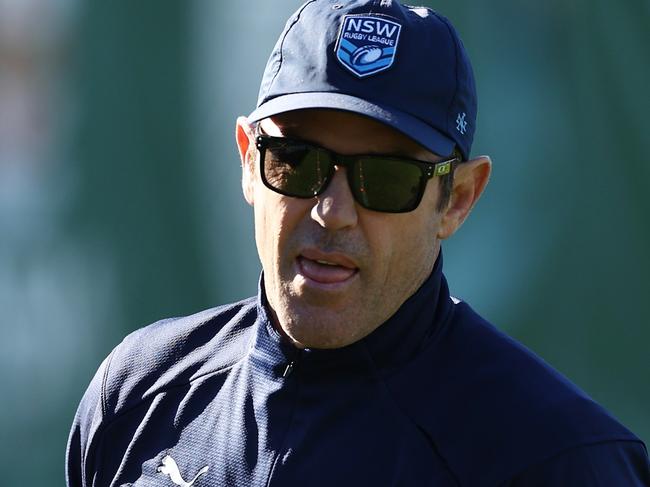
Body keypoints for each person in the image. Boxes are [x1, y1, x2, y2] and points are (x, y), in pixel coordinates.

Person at [66, 1, 650, 486]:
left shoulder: (560, 461)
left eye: (387, 178)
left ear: (459, 199)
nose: (331, 212)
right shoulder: (140, 395)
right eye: (297, 161)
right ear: (248, 160)